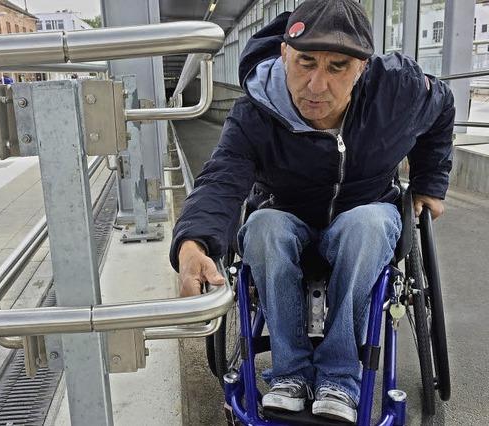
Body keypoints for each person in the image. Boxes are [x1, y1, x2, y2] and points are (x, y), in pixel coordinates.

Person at [169, 0, 454, 423]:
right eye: (305, 62)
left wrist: (430, 183)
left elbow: (442, 107)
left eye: (337, 67)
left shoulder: (398, 90)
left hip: (365, 212)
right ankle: (290, 375)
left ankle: (339, 378)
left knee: (368, 223)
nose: (315, 85)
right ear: (285, 53)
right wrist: (192, 246)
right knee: (262, 227)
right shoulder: (257, 110)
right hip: (286, 214)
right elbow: (222, 179)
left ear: (361, 67)